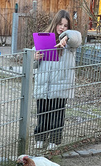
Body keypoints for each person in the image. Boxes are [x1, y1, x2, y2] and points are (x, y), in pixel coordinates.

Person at [33, 10, 82, 151]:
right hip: (44, 84)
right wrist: (35, 57)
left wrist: (66, 36)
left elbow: (77, 37)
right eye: (60, 24)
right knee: (42, 113)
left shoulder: (70, 45)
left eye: (65, 25)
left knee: (57, 114)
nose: (62, 27)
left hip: (60, 85)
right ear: (55, 23)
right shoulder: (44, 39)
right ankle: (40, 138)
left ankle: (54, 139)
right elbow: (32, 62)